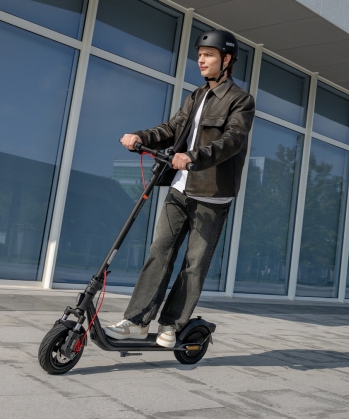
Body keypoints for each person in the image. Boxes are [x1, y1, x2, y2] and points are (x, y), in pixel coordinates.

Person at [103, 29, 255, 348]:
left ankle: (172, 324)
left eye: (208, 54)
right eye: (199, 54)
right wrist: (141, 137)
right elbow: (172, 129)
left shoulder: (240, 100)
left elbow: (232, 140)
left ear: (227, 59)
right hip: (179, 189)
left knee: (194, 263)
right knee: (160, 251)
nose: (201, 59)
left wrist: (193, 157)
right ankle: (137, 321)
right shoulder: (196, 96)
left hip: (213, 195)